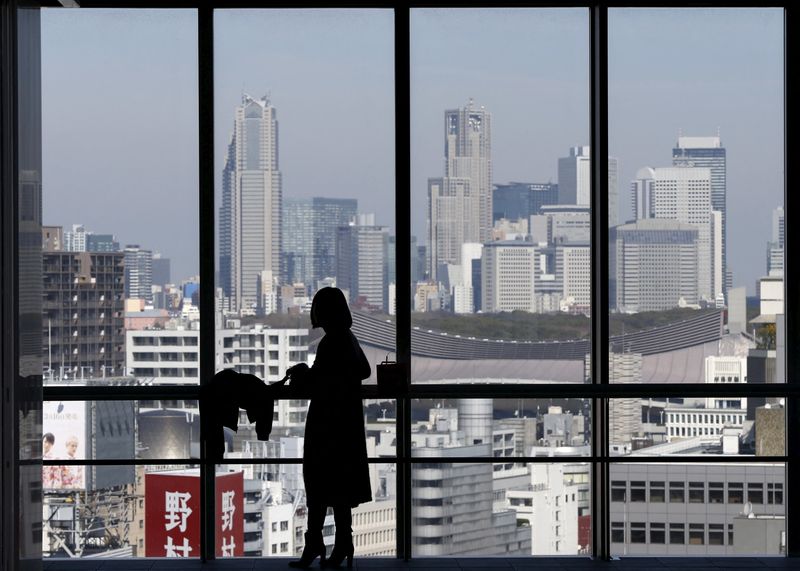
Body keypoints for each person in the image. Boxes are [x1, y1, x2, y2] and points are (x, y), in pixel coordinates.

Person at [287, 287, 371, 569]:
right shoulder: (349, 339)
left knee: (318, 485)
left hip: (325, 423)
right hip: (346, 423)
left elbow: (318, 383)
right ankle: (344, 544)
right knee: (340, 488)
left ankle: (314, 545)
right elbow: (364, 371)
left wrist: (301, 374)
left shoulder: (329, 343)